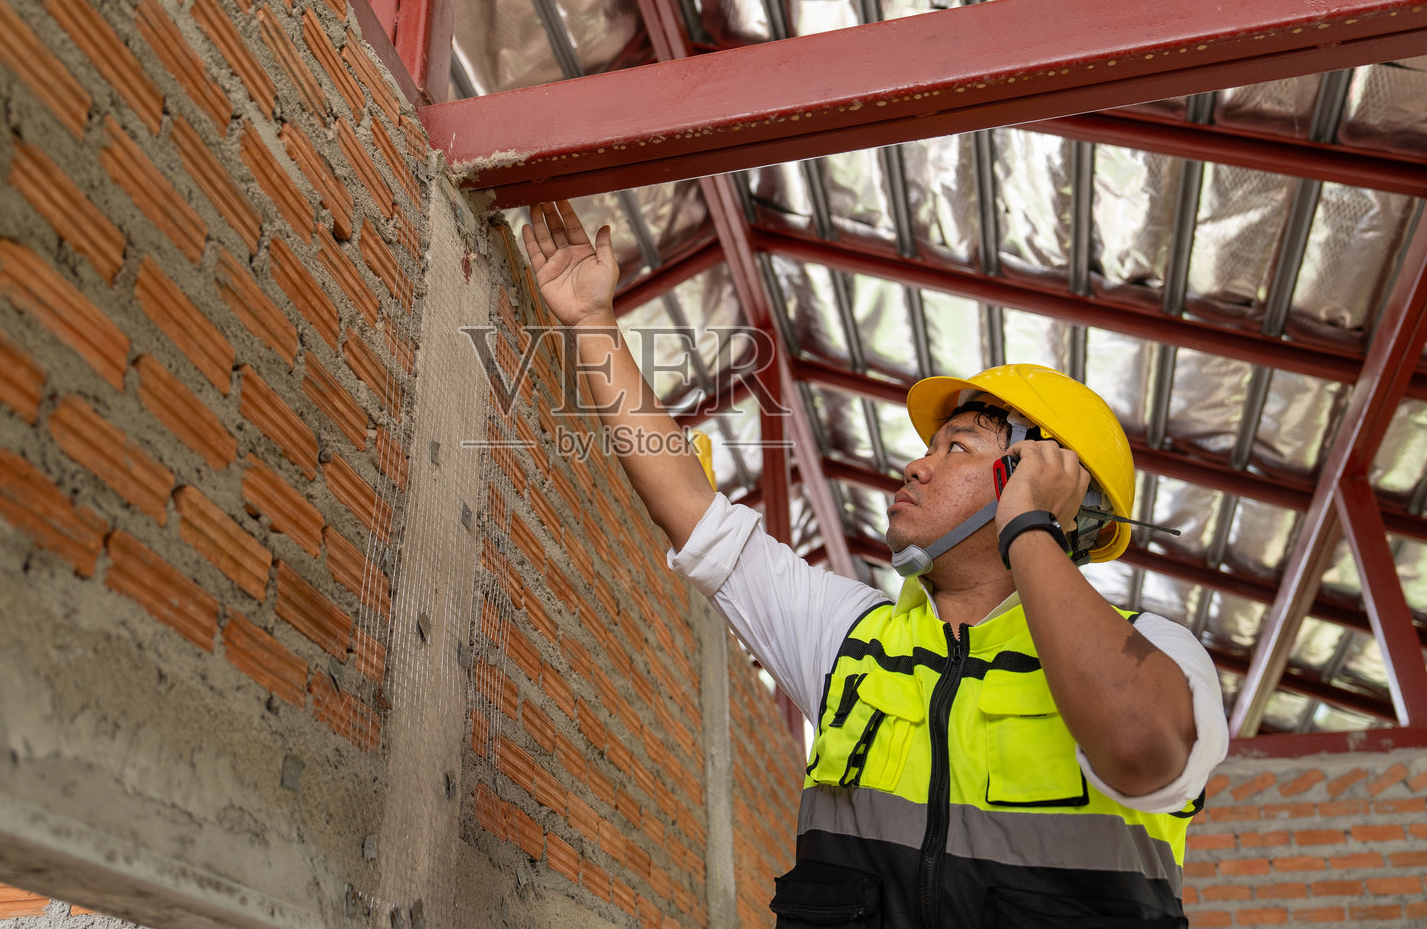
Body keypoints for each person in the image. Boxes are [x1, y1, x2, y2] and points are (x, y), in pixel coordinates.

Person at [520, 201, 1229, 928]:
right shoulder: (852, 640)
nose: (915, 468)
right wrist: (590, 322)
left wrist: (1029, 527)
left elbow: (1139, 747)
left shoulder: (1158, 652)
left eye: (955, 448)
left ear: (1040, 480)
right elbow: (691, 509)